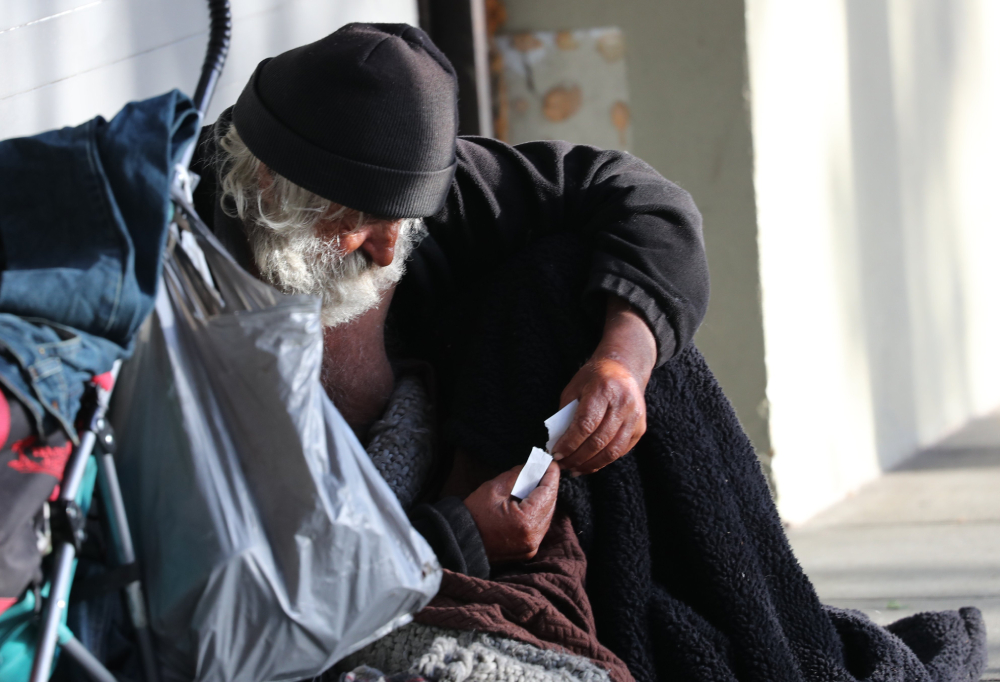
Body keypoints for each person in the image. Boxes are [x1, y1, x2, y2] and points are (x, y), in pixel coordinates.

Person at [191, 22, 709, 576]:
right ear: (270, 182)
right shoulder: (168, 272)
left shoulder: (393, 182)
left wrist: (623, 360)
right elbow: (226, 579)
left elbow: (645, 201)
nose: (390, 252)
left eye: (403, 221)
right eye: (361, 223)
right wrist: (454, 537)